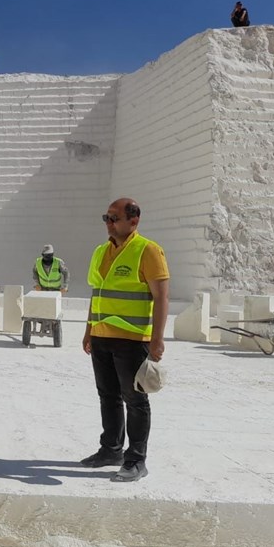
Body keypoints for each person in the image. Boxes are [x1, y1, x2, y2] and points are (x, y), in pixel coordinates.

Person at [80, 198, 169, 482]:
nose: (109, 223)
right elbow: (98, 293)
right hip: (102, 336)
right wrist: (88, 330)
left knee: (135, 400)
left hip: (132, 339)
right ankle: (111, 450)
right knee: (107, 396)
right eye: (106, 217)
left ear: (134, 221)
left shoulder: (148, 250)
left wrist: (157, 340)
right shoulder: (101, 251)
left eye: (114, 218)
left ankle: (136, 460)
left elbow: (161, 297)